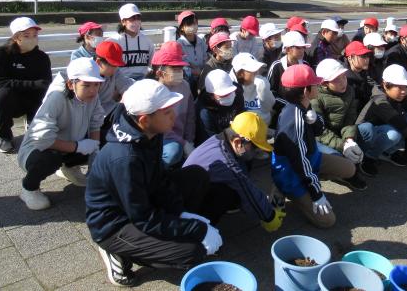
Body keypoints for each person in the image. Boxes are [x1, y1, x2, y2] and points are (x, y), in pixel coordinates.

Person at [86, 80, 219, 287]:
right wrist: (196, 229)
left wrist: (181, 214)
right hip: (116, 224)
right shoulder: (125, 158)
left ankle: (170, 230)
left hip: (140, 203)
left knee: (196, 176)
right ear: (144, 119)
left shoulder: (150, 133)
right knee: (191, 252)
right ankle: (118, 252)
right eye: (166, 113)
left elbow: (159, 179)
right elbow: (143, 218)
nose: (174, 116)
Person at [271, 64, 356, 228]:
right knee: (328, 221)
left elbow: (320, 130)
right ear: (305, 91)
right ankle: (281, 188)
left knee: (349, 169)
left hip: (312, 158)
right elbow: (300, 162)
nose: (318, 86)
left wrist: (315, 120)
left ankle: (311, 181)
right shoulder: (294, 120)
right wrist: (316, 194)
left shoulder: (304, 104)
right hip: (292, 172)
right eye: (315, 84)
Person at [17, 58, 105, 210]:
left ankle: (69, 168)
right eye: (86, 85)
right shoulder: (57, 97)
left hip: (69, 145)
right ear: (71, 84)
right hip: (37, 150)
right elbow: (43, 138)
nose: (93, 90)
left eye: (96, 84)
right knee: (48, 159)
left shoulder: (92, 97)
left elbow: (96, 122)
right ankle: (28, 188)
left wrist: (95, 152)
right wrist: (78, 147)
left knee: (104, 140)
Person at [183, 112, 285, 230]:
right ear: (237, 142)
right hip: (187, 208)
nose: (256, 151)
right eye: (255, 147)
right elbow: (246, 188)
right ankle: (203, 230)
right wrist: (269, 216)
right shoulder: (226, 162)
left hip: (191, 194)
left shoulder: (219, 140)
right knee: (230, 193)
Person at [0, 17, 52, 153]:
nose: (33, 39)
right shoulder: (1, 54)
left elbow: (46, 83)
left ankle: (33, 123)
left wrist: (37, 86)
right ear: (16, 37)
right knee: (2, 96)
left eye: (35, 35)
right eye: (27, 35)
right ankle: (5, 136)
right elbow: (1, 83)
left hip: (34, 99)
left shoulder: (41, 57)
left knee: (49, 94)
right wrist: (34, 84)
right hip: (12, 99)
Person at [313, 58, 376, 182]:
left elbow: (350, 118)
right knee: (336, 158)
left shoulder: (349, 91)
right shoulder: (315, 98)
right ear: (324, 83)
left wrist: (349, 140)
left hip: (341, 133)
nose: (343, 82)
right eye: (337, 79)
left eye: (344, 77)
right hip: (321, 138)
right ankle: (342, 174)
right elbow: (319, 131)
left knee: (367, 129)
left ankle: (358, 162)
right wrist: (343, 146)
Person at [356, 64, 407, 167]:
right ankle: (368, 157)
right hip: (365, 136)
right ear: (385, 85)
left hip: (385, 129)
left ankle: (387, 152)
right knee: (396, 133)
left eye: (406, 87)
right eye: (399, 87)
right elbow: (398, 122)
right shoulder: (380, 100)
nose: (404, 91)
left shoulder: (402, 96)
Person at [148, 41, 196, 168]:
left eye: (180, 68)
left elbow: (190, 116)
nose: (179, 72)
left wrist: (189, 139)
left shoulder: (185, 86)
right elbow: (157, 127)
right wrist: (183, 142)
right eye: (174, 69)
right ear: (160, 72)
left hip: (181, 138)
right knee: (173, 152)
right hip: (161, 137)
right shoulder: (154, 91)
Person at [196, 69, 245, 142]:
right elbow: (211, 139)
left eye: (230, 92)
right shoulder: (204, 111)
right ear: (211, 96)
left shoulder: (238, 93)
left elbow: (242, 115)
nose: (228, 96)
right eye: (223, 95)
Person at [112, 3, 155, 81]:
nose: (136, 21)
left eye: (138, 17)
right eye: (132, 18)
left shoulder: (147, 41)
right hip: (120, 82)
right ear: (123, 21)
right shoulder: (113, 42)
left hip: (143, 82)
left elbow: (152, 64)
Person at [93, 40, 134, 119]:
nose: (116, 68)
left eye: (117, 65)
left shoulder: (115, 72)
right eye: (113, 65)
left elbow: (126, 87)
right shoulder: (85, 75)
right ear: (98, 62)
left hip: (108, 113)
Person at [231, 53, 275, 126]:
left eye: (257, 70)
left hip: (264, 127)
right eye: (253, 71)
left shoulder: (261, 82)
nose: (257, 73)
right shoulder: (231, 86)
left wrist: (263, 90)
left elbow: (268, 108)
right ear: (240, 73)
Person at [267, 30, 310, 98]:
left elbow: (310, 89)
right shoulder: (276, 66)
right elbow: (270, 93)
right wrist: (288, 105)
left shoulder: (306, 65)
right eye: (298, 47)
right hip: (281, 107)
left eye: (303, 47)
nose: (302, 50)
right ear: (287, 49)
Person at [176, 10, 207, 90]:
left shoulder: (201, 42)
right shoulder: (179, 44)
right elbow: (181, 65)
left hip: (202, 75)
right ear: (182, 27)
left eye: (195, 23)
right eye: (190, 24)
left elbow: (205, 59)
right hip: (188, 79)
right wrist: (193, 71)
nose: (193, 26)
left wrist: (203, 71)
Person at [343, 40, 375, 113]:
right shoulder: (345, 79)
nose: (367, 59)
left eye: (368, 56)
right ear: (350, 58)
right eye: (363, 56)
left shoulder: (365, 72)